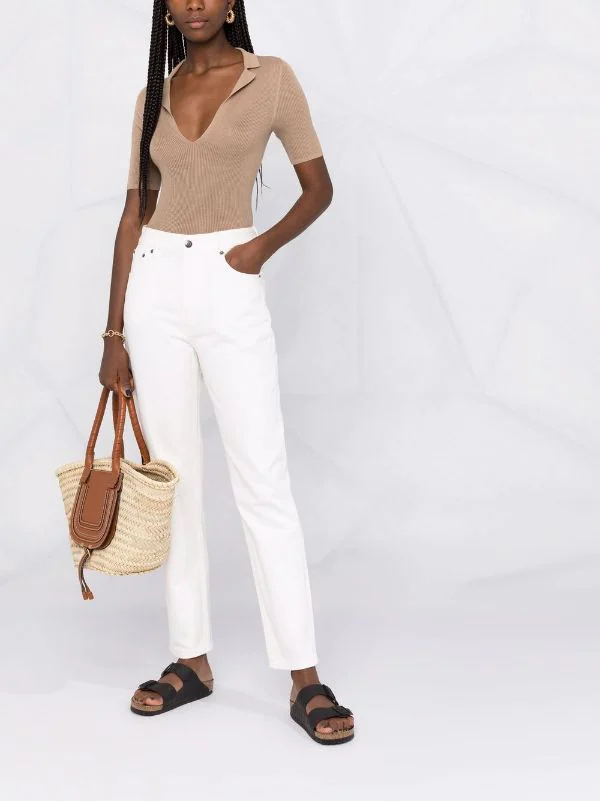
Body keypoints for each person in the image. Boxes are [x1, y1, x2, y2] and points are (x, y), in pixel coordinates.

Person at [99, 0, 355, 745]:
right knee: (174, 480)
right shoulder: (152, 96)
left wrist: (256, 251)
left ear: (232, 3)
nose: (195, 3)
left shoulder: (270, 79)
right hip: (154, 288)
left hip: (229, 277)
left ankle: (304, 676)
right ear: (166, 11)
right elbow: (133, 214)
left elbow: (319, 187)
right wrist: (114, 331)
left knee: (262, 480)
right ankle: (191, 658)